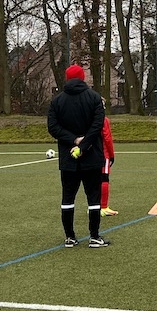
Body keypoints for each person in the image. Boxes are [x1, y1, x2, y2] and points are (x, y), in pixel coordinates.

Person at [46, 64, 110, 247]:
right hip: (92, 156)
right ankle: (94, 237)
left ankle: (70, 237)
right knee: (93, 198)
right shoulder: (94, 98)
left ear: (66, 79)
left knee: (68, 198)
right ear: (83, 78)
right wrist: (84, 144)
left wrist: (74, 141)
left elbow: (53, 127)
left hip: (68, 158)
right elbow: (98, 125)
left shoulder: (57, 101)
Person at [100, 113, 118, 217]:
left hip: (90, 154)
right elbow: (107, 137)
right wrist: (111, 155)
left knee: (93, 181)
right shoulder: (103, 119)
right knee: (104, 178)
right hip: (103, 153)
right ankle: (103, 207)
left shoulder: (86, 118)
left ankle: (93, 206)